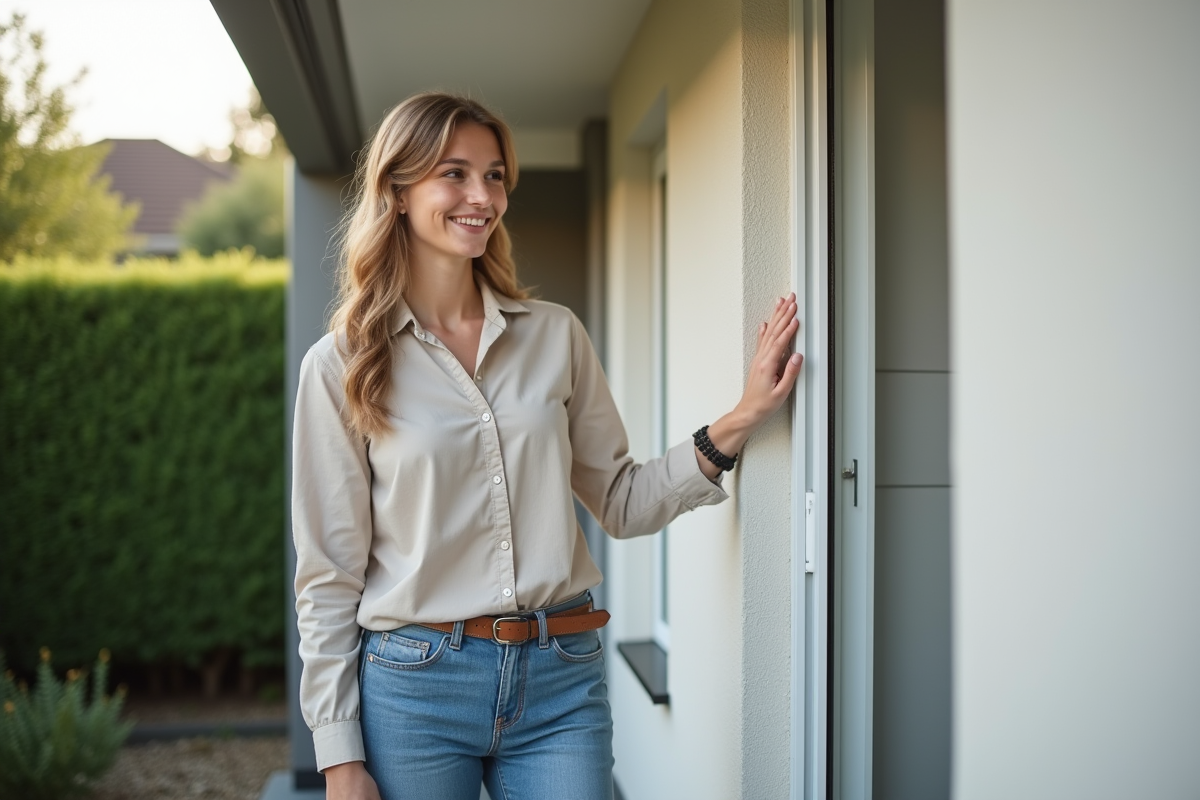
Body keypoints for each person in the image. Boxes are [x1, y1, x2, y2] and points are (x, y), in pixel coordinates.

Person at [291, 92, 803, 800]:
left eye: (495, 176)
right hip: (415, 690)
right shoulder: (342, 364)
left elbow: (620, 501)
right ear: (399, 192)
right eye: (455, 173)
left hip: (561, 679)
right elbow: (328, 574)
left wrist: (742, 418)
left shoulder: (555, 335)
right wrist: (339, 755)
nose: (482, 196)